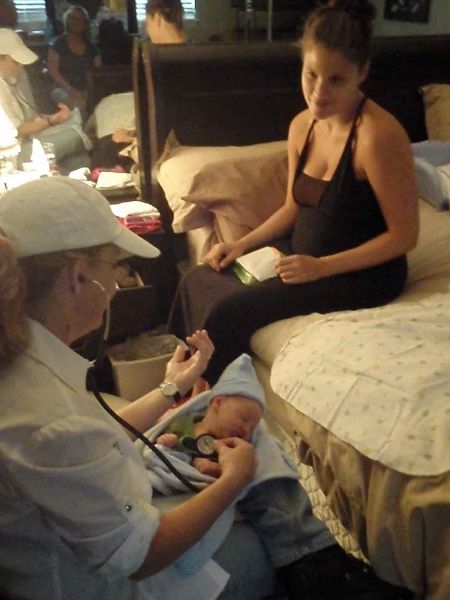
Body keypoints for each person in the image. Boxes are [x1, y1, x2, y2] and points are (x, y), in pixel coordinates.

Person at [0, 176, 268, 600]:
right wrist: (234, 480)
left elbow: (92, 436)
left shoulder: (25, 359)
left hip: (89, 537)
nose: (117, 282)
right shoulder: (47, 417)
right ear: (78, 276)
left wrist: (171, 387)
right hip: (101, 587)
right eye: (116, 267)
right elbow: (140, 555)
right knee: (264, 543)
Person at [167, 0, 419, 386]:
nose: (318, 92)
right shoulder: (303, 126)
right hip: (304, 257)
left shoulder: (378, 136)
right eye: (311, 74)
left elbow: (404, 236)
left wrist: (322, 267)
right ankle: (175, 383)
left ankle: (207, 403)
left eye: (336, 80)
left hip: (363, 274)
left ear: (362, 72)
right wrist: (240, 245)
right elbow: (293, 206)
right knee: (199, 280)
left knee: (228, 313)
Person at [149, 353, 413, 599]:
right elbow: (169, 450)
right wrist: (173, 445)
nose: (246, 428)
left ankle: (321, 555)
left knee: (265, 454)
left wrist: (225, 466)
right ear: (217, 403)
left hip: (220, 478)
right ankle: (313, 558)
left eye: (251, 423)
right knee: (263, 470)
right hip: (186, 498)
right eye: (243, 418)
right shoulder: (190, 426)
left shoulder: (234, 437)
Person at [90, 0, 187, 170]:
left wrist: (134, 138)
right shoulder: (199, 54)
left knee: (103, 149)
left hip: (169, 142)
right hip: (180, 134)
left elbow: (168, 117)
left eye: (147, 22)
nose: (147, 29)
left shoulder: (158, 62)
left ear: (157, 18)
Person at [0, 28, 91, 173]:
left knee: (78, 158)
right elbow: (18, 131)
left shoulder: (19, 75)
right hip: (12, 154)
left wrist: (57, 118)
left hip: (29, 139)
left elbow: (30, 116)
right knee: (76, 137)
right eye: (16, 62)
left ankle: (77, 182)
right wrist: (53, 120)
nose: (21, 66)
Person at [47, 4, 101, 112]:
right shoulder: (59, 44)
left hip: (87, 90)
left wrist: (89, 90)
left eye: (81, 19)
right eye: (73, 18)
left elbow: (98, 73)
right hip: (62, 88)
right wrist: (70, 89)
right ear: (67, 21)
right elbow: (53, 71)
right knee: (78, 105)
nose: (77, 22)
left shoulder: (91, 47)